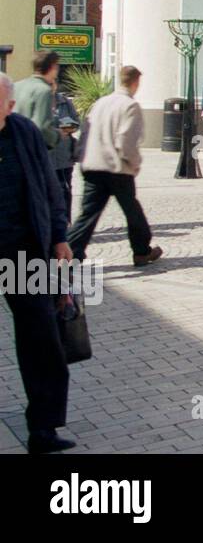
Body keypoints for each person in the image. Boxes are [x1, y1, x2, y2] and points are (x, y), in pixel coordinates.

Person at [0, 73, 76, 454]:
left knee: (41, 338)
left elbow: (49, 185)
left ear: (10, 107)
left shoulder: (24, 133)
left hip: (23, 250)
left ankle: (42, 429)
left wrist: (60, 237)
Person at [67, 65, 163, 266]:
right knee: (132, 211)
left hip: (93, 165)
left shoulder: (100, 102)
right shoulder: (129, 105)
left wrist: (82, 156)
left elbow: (86, 130)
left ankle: (71, 250)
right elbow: (125, 141)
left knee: (88, 214)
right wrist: (135, 163)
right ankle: (141, 250)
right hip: (117, 168)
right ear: (136, 83)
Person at [13, 51, 61, 152]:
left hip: (13, 146)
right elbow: (42, 127)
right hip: (31, 150)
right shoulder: (44, 90)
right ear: (52, 67)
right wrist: (58, 135)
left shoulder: (16, 86)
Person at [50, 91, 80, 215]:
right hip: (48, 156)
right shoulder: (40, 101)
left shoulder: (65, 102)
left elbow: (77, 122)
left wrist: (70, 126)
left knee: (66, 190)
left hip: (64, 156)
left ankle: (67, 221)